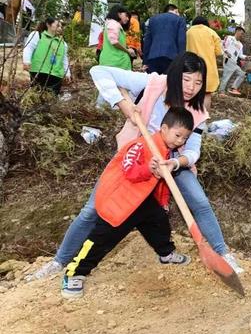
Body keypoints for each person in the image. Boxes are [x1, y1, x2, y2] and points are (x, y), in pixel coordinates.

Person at [27, 52, 243, 282]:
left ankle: (223, 254)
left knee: (199, 202)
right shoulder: (154, 84)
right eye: (186, 79)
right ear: (174, 75)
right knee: (92, 210)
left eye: (198, 82)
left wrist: (176, 162)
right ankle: (59, 261)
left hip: (171, 161)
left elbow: (193, 150)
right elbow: (99, 71)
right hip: (137, 155)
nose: (191, 87)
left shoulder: (197, 111)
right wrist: (124, 105)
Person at [61, 107, 193, 298]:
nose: (180, 141)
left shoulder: (166, 152)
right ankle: (75, 272)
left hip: (143, 199)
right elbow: (129, 170)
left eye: (184, 139)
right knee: (102, 239)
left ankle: (166, 253)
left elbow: (163, 181)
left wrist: (162, 201)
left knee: (159, 223)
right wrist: (148, 169)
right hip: (120, 201)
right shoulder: (141, 145)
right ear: (164, 128)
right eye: (178, 135)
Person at [22, 17, 71, 94]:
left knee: (52, 100)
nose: (60, 28)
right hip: (39, 71)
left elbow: (64, 59)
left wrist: (67, 73)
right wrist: (26, 61)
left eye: (61, 27)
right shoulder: (37, 35)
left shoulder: (63, 43)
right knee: (36, 95)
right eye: (57, 25)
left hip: (56, 75)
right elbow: (29, 48)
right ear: (48, 24)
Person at [186, 16, 223, 102]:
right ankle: (204, 115)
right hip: (208, 69)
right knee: (207, 94)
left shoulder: (188, 32)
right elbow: (219, 52)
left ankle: (190, 115)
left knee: (191, 93)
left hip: (191, 67)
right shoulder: (212, 33)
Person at [143, 4, 186, 75]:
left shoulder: (153, 20)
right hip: (172, 57)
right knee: (170, 83)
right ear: (174, 10)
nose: (178, 14)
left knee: (154, 83)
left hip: (153, 57)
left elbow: (147, 41)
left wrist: (145, 61)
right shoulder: (180, 20)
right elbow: (181, 41)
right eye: (177, 12)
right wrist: (181, 60)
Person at [99, 5, 133, 70]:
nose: (128, 19)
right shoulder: (113, 24)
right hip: (115, 63)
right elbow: (114, 42)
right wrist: (127, 51)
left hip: (116, 62)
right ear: (119, 14)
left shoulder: (113, 24)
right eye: (126, 16)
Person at [220, 26, 249, 95]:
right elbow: (222, 44)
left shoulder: (240, 44)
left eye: (243, 34)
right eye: (241, 33)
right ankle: (221, 92)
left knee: (242, 74)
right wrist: (226, 52)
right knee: (226, 76)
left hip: (234, 62)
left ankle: (233, 88)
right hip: (228, 59)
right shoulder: (229, 38)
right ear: (237, 31)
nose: (242, 35)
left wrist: (246, 57)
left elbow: (240, 55)